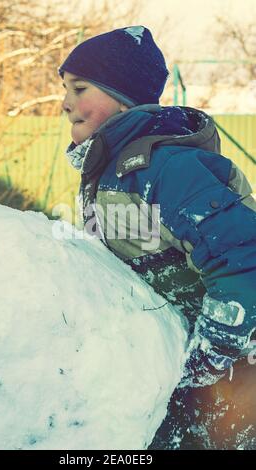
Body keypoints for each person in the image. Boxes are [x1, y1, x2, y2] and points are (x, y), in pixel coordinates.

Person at [58, 25, 256, 389]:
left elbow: (244, 258)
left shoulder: (166, 169)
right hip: (159, 363)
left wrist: (205, 364)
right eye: (65, 89)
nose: (65, 103)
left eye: (80, 88)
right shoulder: (105, 177)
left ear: (123, 99)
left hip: (231, 376)